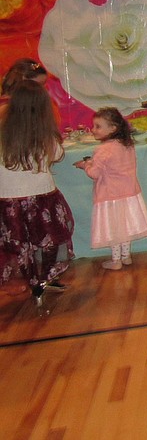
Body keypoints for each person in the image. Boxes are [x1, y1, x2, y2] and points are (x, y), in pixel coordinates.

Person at [0, 81, 74, 306]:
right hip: (42, 198)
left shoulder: (3, 134)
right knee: (48, 240)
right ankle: (42, 279)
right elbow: (58, 154)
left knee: (19, 245)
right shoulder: (46, 137)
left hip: (7, 200)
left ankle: (31, 280)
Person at [73, 107, 147, 270]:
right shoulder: (126, 144)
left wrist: (85, 165)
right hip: (129, 193)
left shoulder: (103, 149)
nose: (94, 130)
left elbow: (95, 173)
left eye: (98, 126)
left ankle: (116, 260)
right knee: (124, 227)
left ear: (113, 128)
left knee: (114, 229)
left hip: (110, 196)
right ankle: (126, 256)